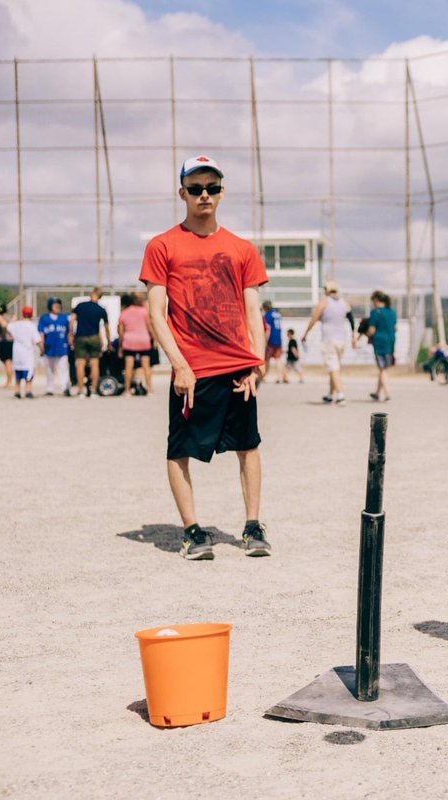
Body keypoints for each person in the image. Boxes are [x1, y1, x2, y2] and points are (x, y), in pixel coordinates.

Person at [140, 154, 270, 561]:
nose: (204, 195)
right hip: (192, 370)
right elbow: (154, 312)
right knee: (179, 450)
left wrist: (256, 363)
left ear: (222, 192)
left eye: (212, 187)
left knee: (248, 446)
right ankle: (192, 531)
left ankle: (252, 526)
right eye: (195, 188)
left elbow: (253, 313)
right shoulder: (162, 246)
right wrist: (179, 364)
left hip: (235, 367)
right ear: (182, 193)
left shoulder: (241, 249)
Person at [302, 280, 353, 406]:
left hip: (329, 339)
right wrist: (353, 335)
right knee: (335, 367)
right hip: (342, 339)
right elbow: (351, 319)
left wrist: (305, 334)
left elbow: (313, 319)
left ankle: (341, 395)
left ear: (327, 289)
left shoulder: (324, 301)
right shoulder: (344, 302)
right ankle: (331, 394)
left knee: (333, 367)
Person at [70, 287, 112, 398]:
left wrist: (70, 334)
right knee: (94, 364)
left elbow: (72, 319)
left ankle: (81, 391)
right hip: (94, 337)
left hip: (80, 337)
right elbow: (106, 327)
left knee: (80, 363)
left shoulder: (80, 306)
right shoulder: (101, 309)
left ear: (91, 293)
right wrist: (108, 342)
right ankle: (93, 390)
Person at [358, 290, 397, 402]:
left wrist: (364, 334)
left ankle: (387, 392)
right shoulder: (392, 312)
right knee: (384, 368)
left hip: (379, 343)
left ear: (376, 300)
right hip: (391, 341)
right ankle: (377, 392)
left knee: (382, 369)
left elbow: (371, 330)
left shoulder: (375, 312)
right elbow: (395, 328)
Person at [118, 292, 155, 396]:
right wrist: (154, 339)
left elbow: (121, 333)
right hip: (143, 340)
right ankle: (149, 390)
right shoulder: (144, 311)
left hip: (129, 341)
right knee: (146, 366)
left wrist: (120, 347)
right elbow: (149, 327)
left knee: (128, 366)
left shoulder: (124, 313)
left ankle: (127, 390)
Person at [37, 297, 72, 396]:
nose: (57, 306)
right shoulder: (44, 318)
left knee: (63, 369)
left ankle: (65, 387)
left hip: (62, 347)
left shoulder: (64, 318)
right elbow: (41, 333)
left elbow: (70, 331)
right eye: (55, 304)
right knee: (49, 370)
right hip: (49, 348)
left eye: (58, 305)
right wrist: (41, 347)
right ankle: (50, 389)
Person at [7, 305, 42, 399]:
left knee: (18, 374)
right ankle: (28, 391)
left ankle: (17, 391)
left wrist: (13, 319)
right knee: (28, 374)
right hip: (27, 354)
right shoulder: (31, 326)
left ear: (22, 314)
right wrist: (42, 349)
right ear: (31, 314)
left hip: (17, 353)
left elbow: (8, 327)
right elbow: (37, 340)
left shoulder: (16, 325)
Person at [262, 300, 286, 384]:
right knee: (278, 358)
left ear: (265, 307)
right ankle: (280, 377)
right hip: (278, 339)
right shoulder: (277, 314)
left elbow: (267, 328)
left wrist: (265, 340)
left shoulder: (268, 315)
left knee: (266, 359)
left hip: (271, 340)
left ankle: (263, 376)